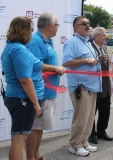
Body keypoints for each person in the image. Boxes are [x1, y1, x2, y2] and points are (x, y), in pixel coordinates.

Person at [1, 16, 64, 160]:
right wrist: (36, 104)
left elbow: (38, 64)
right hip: (22, 99)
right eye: (30, 29)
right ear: (24, 31)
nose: (32, 32)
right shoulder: (19, 50)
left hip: (19, 97)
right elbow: (24, 79)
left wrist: (56, 68)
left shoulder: (16, 47)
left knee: (19, 137)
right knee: (19, 140)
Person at [62, 16, 102, 157]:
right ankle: (75, 145)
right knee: (81, 117)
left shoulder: (87, 42)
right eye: (84, 24)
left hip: (92, 85)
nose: (87, 26)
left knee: (89, 117)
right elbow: (66, 63)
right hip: (81, 86)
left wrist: (97, 60)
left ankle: (84, 142)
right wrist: (86, 60)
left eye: (88, 23)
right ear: (76, 27)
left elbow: (91, 62)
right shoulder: (72, 42)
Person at [26, 12, 63, 160]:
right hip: (40, 91)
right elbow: (36, 66)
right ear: (50, 26)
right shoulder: (35, 41)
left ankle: (36, 154)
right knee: (34, 127)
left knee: (40, 126)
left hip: (48, 91)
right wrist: (56, 69)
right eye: (57, 25)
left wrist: (55, 69)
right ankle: (31, 157)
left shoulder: (48, 40)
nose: (58, 27)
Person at [88, 27, 113, 144]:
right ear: (96, 37)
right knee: (92, 111)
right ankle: (91, 133)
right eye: (103, 35)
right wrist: (97, 59)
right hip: (94, 85)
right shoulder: (89, 47)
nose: (105, 37)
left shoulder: (104, 47)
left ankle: (101, 132)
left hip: (105, 84)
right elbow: (88, 65)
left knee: (105, 111)